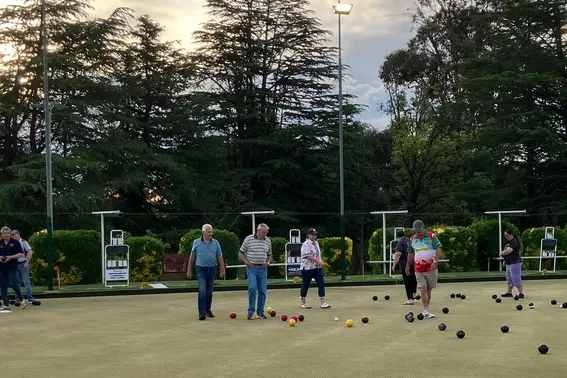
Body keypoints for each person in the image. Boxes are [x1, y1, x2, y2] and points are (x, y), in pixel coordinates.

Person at [187, 224, 226, 320]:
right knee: (202, 290)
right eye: (209, 232)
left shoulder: (216, 243)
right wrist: (189, 270)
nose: (211, 234)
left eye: (212, 232)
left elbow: (219, 256)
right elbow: (192, 257)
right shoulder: (196, 242)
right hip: (201, 269)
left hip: (212, 268)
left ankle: (208, 310)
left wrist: (222, 268)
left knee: (209, 292)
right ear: (203, 232)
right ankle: (201, 313)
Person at [406, 220, 442, 319]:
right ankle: (425, 310)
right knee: (423, 288)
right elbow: (410, 253)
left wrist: (435, 261)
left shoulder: (432, 236)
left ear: (423, 227)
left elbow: (439, 249)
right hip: (418, 269)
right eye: (415, 230)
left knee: (428, 290)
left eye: (418, 229)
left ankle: (426, 310)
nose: (416, 231)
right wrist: (408, 265)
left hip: (431, 268)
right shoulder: (412, 239)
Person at [239, 223, 272, 320]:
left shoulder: (268, 241)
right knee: (253, 288)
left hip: (263, 268)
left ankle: (260, 312)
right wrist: (246, 262)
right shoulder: (248, 239)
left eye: (266, 232)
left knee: (262, 290)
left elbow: (270, 254)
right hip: (252, 267)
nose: (265, 234)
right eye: (264, 232)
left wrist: (268, 263)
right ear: (258, 231)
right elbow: (241, 253)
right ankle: (250, 311)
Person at [299, 228, 331, 309]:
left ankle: (323, 303)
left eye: (315, 234)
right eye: (312, 234)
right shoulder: (306, 244)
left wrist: (321, 261)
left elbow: (317, 255)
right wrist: (318, 262)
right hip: (307, 268)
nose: (314, 236)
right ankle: (303, 303)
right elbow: (308, 256)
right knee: (306, 285)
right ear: (308, 235)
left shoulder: (316, 243)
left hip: (317, 268)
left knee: (321, 283)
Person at [0, 226, 27, 312]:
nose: (6, 235)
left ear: (10, 234)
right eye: (4, 233)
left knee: (13, 283)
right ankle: (6, 304)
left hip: (12, 267)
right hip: (2, 267)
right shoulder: (0, 243)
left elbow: (21, 254)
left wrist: (10, 257)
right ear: (2, 234)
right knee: (3, 286)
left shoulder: (15, 243)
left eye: (8, 233)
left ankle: (22, 299)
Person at [11, 229, 39, 306]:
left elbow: (30, 251)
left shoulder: (23, 242)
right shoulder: (12, 243)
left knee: (26, 282)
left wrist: (27, 262)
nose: (12, 236)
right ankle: (18, 299)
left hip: (23, 263)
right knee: (17, 283)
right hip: (16, 264)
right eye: (12, 235)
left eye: (13, 235)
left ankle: (30, 298)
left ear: (18, 234)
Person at [392, 229, 417, 305]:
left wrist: (394, 265)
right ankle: (413, 294)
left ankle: (410, 299)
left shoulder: (400, 242)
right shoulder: (409, 240)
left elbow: (398, 254)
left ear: (398, 236)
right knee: (413, 279)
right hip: (413, 263)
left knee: (407, 281)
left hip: (405, 264)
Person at [500, 229, 523, 299]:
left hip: (515, 263)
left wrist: (501, 253)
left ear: (511, 235)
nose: (506, 237)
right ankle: (509, 293)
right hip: (509, 262)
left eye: (507, 235)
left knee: (516, 278)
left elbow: (508, 251)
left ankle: (521, 294)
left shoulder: (514, 241)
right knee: (509, 278)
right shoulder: (509, 242)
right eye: (505, 236)